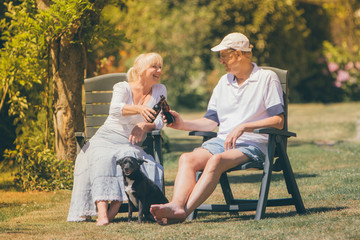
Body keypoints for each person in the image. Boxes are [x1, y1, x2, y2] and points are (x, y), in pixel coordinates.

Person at [150, 33, 285, 225]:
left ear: (238, 54)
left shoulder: (266, 78)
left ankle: (182, 212)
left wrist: (244, 126)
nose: (221, 61)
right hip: (223, 142)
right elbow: (211, 122)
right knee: (187, 159)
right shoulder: (224, 82)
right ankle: (176, 205)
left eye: (224, 56)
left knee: (216, 160)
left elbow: (278, 121)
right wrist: (181, 124)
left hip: (254, 144)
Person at [67, 53, 166, 225]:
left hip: (129, 143)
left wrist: (144, 126)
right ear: (141, 70)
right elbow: (114, 109)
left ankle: (117, 204)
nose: (159, 70)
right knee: (102, 158)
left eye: (160, 67)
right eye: (154, 67)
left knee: (129, 156)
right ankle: (103, 214)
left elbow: (159, 121)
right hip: (105, 139)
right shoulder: (123, 87)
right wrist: (139, 109)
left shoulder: (160, 90)